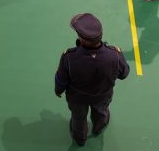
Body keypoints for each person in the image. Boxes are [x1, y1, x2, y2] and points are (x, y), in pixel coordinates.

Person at [55, 13, 129, 147]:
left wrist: (58, 91)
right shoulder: (115, 55)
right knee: (101, 112)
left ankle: (80, 137)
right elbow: (124, 74)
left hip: (77, 99)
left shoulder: (69, 58)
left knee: (78, 118)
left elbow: (61, 79)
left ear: (81, 38)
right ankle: (99, 127)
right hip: (102, 96)